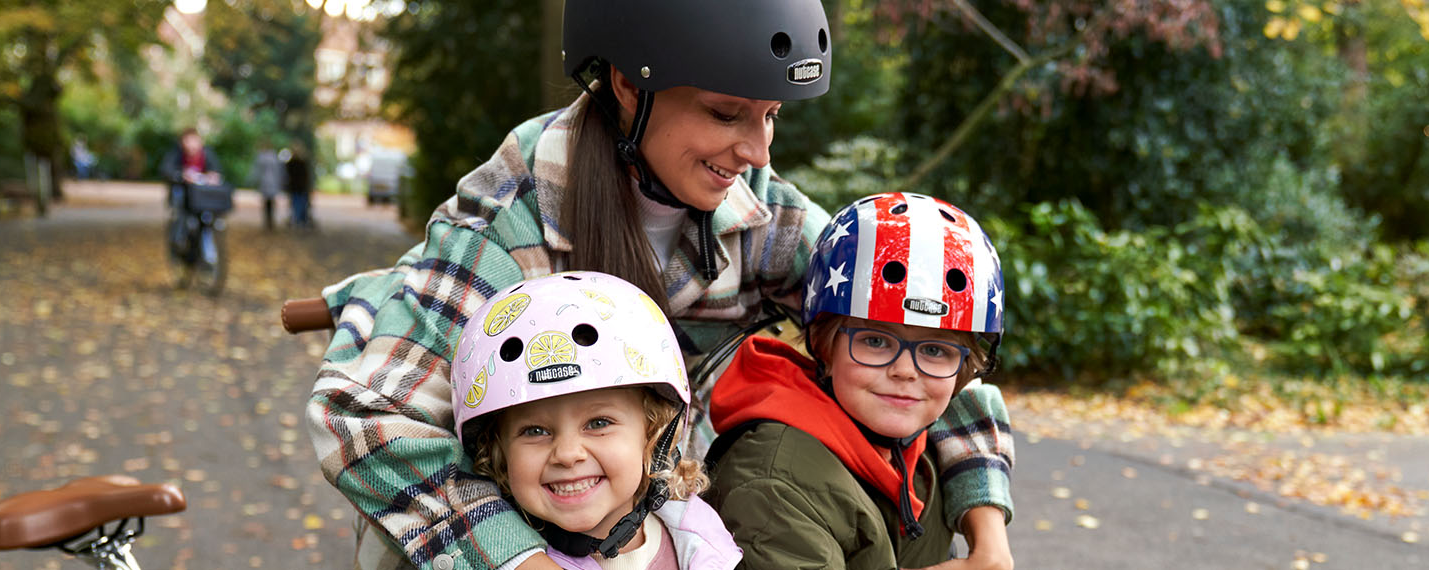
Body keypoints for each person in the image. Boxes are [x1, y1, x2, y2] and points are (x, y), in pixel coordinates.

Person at [305, 1, 1015, 569]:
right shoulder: (508, 225)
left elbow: (912, 326)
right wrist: (518, 560)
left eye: (769, 116)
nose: (758, 151)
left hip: (659, 538)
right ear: (627, 86)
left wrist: (988, 528)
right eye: (725, 112)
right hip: (502, 536)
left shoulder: (760, 211)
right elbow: (364, 416)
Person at [703, 193, 1011, 570]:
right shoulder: (775, 486)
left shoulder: (920, 437)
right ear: (824, 346)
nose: (906, 371)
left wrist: (991, 541)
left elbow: (976, 407)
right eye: (876, 342)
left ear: (963, 368)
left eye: (935, 350)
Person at [452, 271, 738, 569]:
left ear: (655, 433)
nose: (567, 454)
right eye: (535, 431)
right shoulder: (492, 557)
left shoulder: (702, 542)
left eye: (599, 423)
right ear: (499, 453)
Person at [159, 128, 224, 258]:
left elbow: (216, 171)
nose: (191, 144)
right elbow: (166, 170)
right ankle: (178, 238)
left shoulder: (207, 154)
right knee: (179, 201)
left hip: (201, 197)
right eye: (188, 141)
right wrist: (181, 175)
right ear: (182, 142)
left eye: (194, 140)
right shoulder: (176, 154)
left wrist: (213, 177)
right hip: (183, 195)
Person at [249, 142, 285, 230]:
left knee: (266, 202)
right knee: (271, 202)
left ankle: (267, 221)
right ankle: (271, 221)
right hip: (273, 183)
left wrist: (251, 181)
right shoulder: (275, 158)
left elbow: (256, 171)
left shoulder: (261, 158)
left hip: (265, 183)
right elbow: (280, 172)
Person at [283, 142, 314, 229]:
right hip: (298, 187)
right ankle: (299, 220)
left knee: (297, 204)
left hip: (297, 187)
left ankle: (298, 220)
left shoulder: (292, 163)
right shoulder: (299, 163)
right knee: (298, 204)